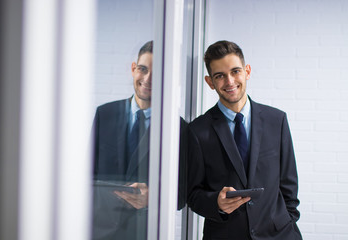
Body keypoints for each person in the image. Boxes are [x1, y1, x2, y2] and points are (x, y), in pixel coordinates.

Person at [187, 40, 302, 240]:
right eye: (220, 76)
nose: (229, 81)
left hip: (279, 234)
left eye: (235, 71)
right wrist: (217, 203)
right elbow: (192, 194)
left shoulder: (277, 120)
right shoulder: (197, 130)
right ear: (210, 82)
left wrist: (288, 223)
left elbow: (288, 185)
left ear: (247, 71)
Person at [92, 40, 187, 240]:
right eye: (142, 69)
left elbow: (182, 195)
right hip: (100, 230)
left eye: (158, 72)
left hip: (146, 231)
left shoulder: (178, 127)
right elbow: (88, 175)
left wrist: (153, 197)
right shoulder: (105, 113)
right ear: (133, 69)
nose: (148, 78)